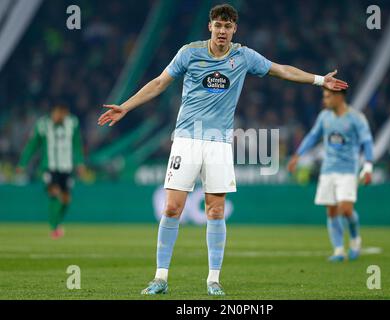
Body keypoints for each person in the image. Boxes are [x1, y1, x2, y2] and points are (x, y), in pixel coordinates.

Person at [98, 3, 348, 295]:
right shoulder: (189, 53)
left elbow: (281, 70)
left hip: (218, 143)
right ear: (210, 27)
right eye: (218, 25)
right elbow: (158, 83)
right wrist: (125, 107)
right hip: (187, 140)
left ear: (234, 30)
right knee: (171, 207)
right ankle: (160, 278)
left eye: (227, 27)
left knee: (215, 211)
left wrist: (319, 80)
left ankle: (213, 279)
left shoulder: (243, 56)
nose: (222, 31)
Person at [287, 88, 373, 262]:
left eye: (328, 97)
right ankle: (339, 250)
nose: (325, 100)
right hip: (328, 170)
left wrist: (369, 166)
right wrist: (297, 155)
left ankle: (355, 239)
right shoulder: (324, 117)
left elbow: (367, 141)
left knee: (346, 210)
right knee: (332, 211)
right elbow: (312, 136)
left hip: (348, 170)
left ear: (339, 97)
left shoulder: (356, 118)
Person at [17, 104, 86, 239]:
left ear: (66, 113)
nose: (59, 116)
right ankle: (54, 228)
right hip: (50, 167)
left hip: (66, 167)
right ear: (53, 112)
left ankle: (57, 222)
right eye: (57, 113)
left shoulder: (72, 123)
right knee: (54, 193)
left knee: (66, 199)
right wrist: (23, 163)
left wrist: (80, 163)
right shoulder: (43, 124)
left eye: (62, 114)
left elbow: (77, 143)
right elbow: (33, 144)